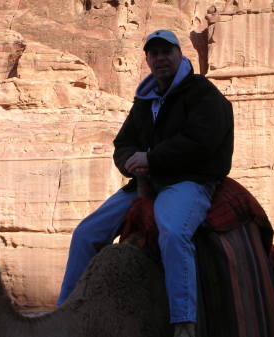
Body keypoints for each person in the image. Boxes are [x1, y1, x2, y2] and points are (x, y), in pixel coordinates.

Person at [57, 29, 234, 337]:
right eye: (154, 54)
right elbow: (123, 142)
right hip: (146, 182)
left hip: (188, 180)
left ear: (179, 55)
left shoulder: (202, 93)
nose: (160, 58)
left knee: (174, 232)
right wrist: (130, 162)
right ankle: (66, 312)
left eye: (166, 52)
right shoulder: (146, 99)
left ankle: (183, 322)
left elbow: (202, 141)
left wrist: (152, 159)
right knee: (86, 233)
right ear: (147, 60)